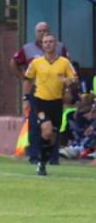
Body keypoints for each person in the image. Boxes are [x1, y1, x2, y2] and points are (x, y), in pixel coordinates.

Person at [9, 21, 69, 165]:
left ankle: (53, 157)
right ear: (35, 33)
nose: (43, 33)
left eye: (45, 30)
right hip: (37, 92)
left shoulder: (60, 48)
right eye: (40, 31)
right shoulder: (28, 49)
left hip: (55, 93)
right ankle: (35, 156)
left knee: (55, 126)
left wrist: (65, 86)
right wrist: (23, 80)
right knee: (36, 125)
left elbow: (69, 67)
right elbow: (14, 63)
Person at [23, 33, 78, 175]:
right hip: (39, 101)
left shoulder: (64, 62)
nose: (48, 44)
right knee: (46, 130)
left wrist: (68, 81)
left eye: (51, 42)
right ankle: (37, 158)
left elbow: (75, 79)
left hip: (56, 104)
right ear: (42, 45)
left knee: (52, 138)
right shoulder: (36, 62)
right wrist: (25, 99)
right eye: (45, 42)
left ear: (56, 45)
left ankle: (42, 162)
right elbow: (27, 79)